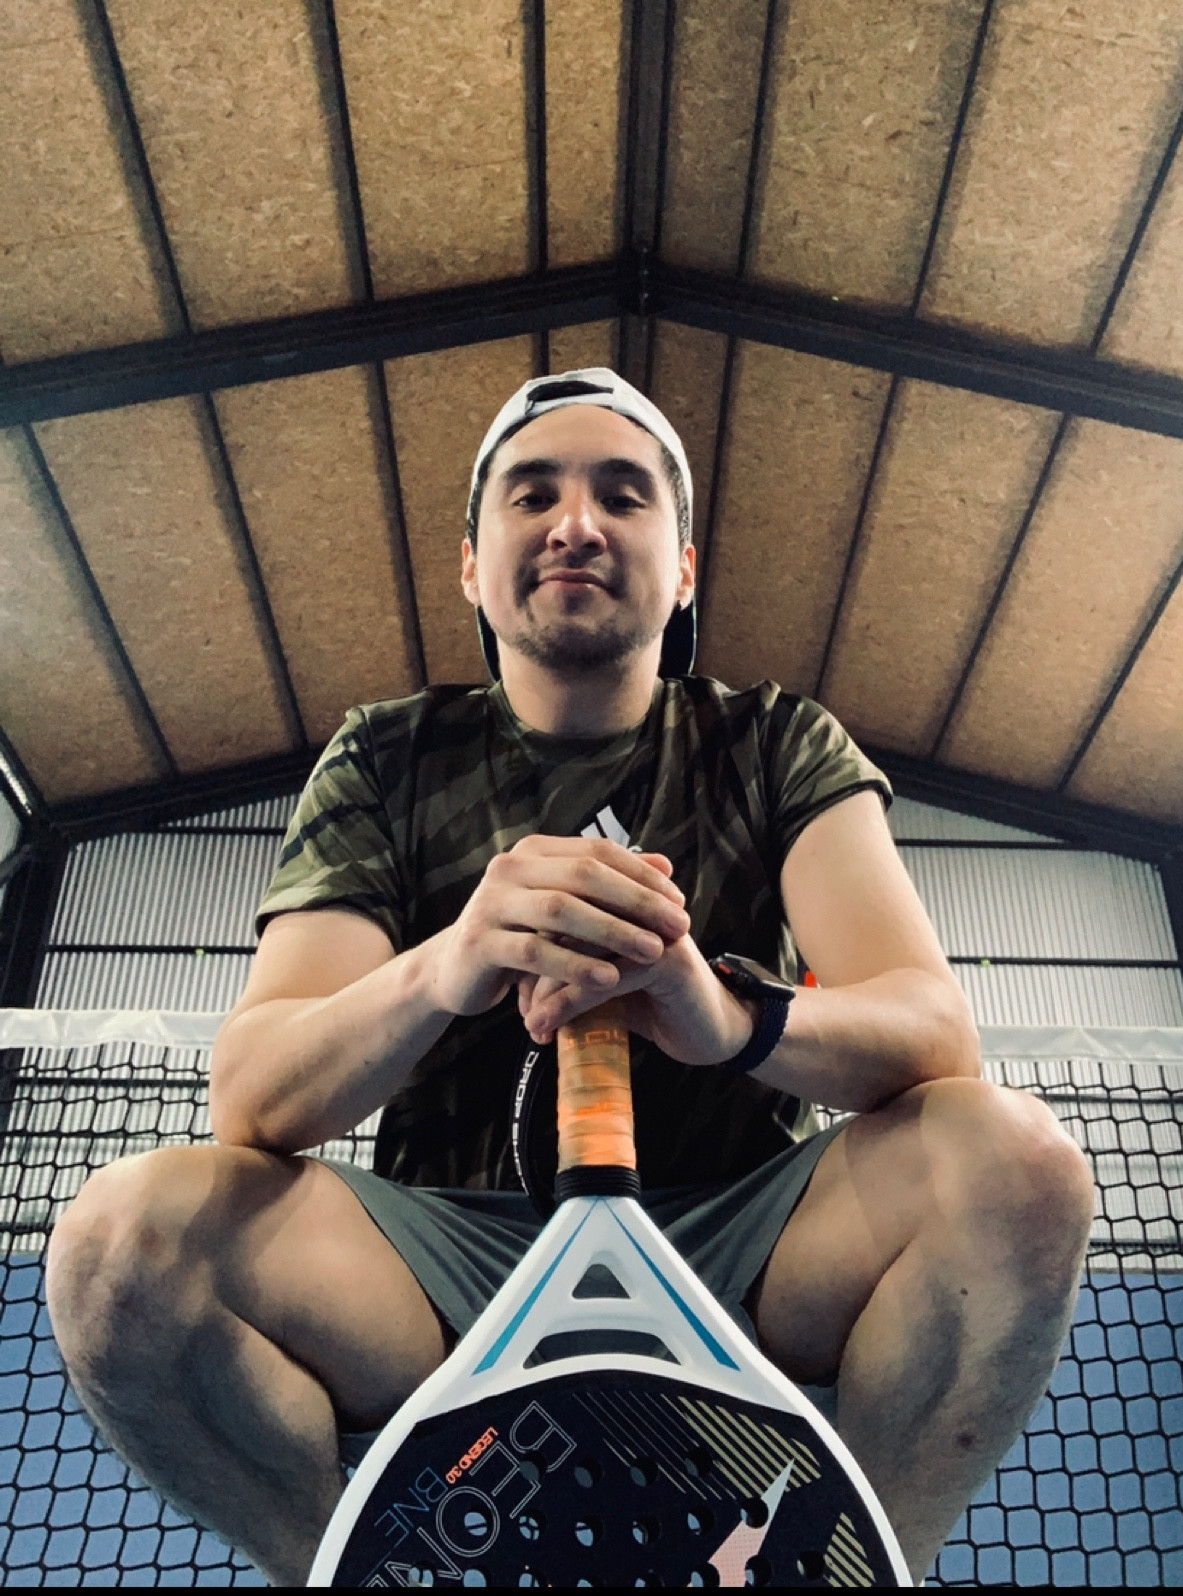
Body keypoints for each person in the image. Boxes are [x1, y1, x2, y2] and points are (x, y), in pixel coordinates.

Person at [46, 369, 1094, 1587]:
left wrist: (723, 1015)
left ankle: (845, 1573)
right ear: (471, 566)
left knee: (1015, 1163)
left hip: (743, 1250)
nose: (577, 524)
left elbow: (934, 1034)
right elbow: (255, 1095)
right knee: (120, 1246)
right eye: (533, 494)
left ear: (683, 569)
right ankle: (347, 1576)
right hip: (443, 1274)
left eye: (624, 495)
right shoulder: (386, 755)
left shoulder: (775, 742)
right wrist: (451, 962)